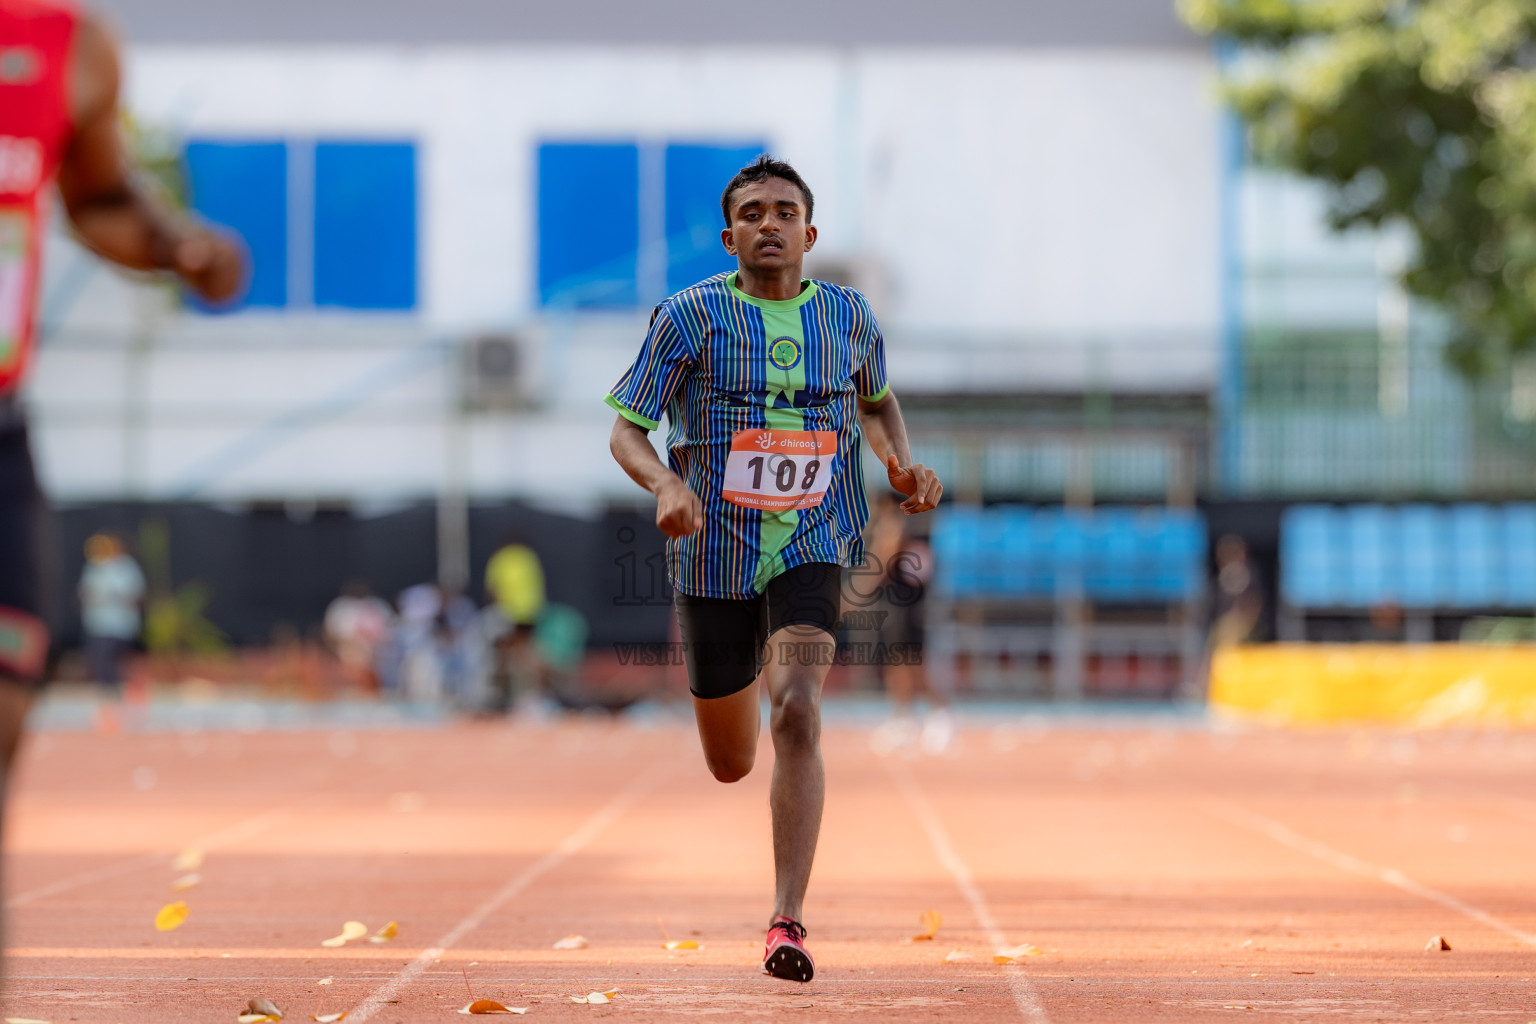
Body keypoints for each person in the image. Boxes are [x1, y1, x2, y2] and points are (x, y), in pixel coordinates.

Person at [606, 155, 941, 982]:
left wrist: (900, 461)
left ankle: (786, 920)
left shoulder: (849, 317)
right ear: (730, 237)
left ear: (809, 232)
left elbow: (877, 398)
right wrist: (666, 482)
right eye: (752, 212)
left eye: (784, 211)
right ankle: (738, 702)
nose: (769, 223)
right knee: (732, 760)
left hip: (815, 539)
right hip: (714, 552)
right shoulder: (687, 318)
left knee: (796, 710)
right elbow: (625, 430)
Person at [0, 0, 244, 912]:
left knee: (9, 702)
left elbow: (98, 197)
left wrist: (174, 241)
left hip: (2, 422)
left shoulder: (68, 50)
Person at [861, 490, 951, 753]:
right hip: (897, 605)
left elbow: (881, 566)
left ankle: (940, 713)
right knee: (896, 664)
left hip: (904, 607)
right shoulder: (902, 531)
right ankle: (903, 717)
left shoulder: (894, 529)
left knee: (911, 665)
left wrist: (851, 599)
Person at [484, 534, 546, 710]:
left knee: (502, 657)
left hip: (507, 612)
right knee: (525, 655)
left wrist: (495, 611)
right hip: (529, 613)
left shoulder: (501, 558)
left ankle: (501, 697)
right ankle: (530, 696)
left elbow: (492, 588)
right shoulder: (529, 557)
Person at [77, 532, 144, 690]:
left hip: (120, 624)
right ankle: (108, 693)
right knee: (99, 659)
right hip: (98, 623)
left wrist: (117, 597)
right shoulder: (94, 567)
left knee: (113, 659)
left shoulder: (127, 567)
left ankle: (117, 691)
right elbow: (84, 593)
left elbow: (136, 595)